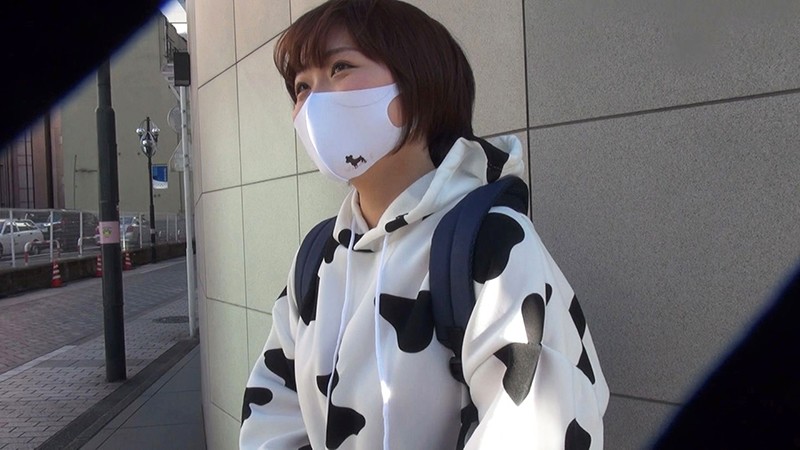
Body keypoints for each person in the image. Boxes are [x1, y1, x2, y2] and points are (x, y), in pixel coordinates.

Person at [240, 1, 609, 449]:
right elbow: (271, 413)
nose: (313, 102)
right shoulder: (317, 258)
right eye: (301, 86)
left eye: (340, 67)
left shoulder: (491, 242)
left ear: (417, 83)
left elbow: (537, 426)